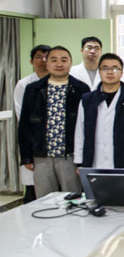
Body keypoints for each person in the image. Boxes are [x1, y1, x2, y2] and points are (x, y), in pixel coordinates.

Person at [18, 46, 90, 198]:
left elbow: (88, 126)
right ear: (47, 63)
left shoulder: (81, 89)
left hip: (70, 157)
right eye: (54, 60)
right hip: (41, 156)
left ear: (70, 63)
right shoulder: (33, 89)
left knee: (73, 200)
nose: (59, 64)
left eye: (64, 60)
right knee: (44, 201)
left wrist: (84, 159)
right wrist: (26, 156)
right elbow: (24, 125)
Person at [74, 54, 124, 170]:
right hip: (94, 162)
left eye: (115, 68)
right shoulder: (87, 99)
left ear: (122, 72)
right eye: (105, 68)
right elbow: (80, 132)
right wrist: (79, 162)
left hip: (123, 163)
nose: (110, 72)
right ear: (99, 72)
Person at [14, 44, 50, 202]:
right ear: (31, 61)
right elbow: (23, 118)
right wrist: (27, 155)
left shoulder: (60, 82)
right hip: (34, 142)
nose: (43, 60)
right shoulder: (24, 85)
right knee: (33, 189)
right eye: (39, 57)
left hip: (56, 146)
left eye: (47, 57)